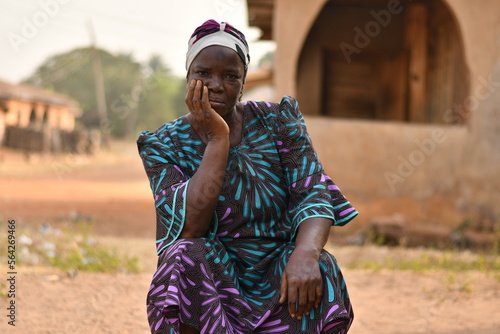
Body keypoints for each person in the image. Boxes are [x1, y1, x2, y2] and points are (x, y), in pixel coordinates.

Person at [137, 19, 358, 334]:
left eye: (230, 76)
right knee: (183, 257)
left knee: (322, 265)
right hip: (210, 276)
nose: (216, 85)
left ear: (243, 83)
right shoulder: (164, 144)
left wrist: (306, 254)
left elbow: (314, 193)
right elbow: (190, 228)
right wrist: (217, 140)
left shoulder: (278, 122)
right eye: (203, 73)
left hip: (277, 271)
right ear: (188, 76)